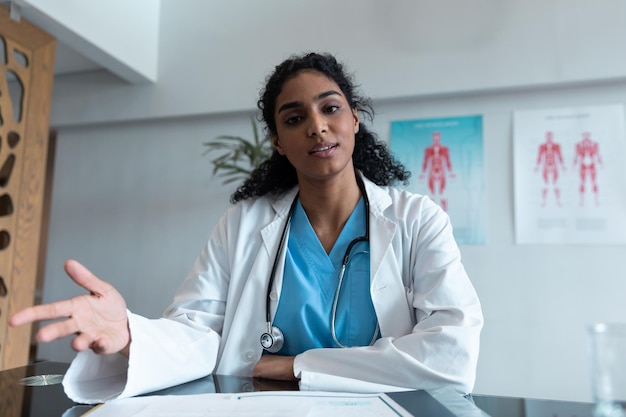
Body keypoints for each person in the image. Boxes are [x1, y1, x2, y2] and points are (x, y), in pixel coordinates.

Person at [9, 52, 483, 404]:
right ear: (278, 141)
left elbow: (450, 352)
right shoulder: (245, 223)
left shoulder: (417, 220)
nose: (317, 127)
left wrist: (298, 366)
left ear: (356, 119)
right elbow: (196, 330)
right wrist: (133, 335)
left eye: (331, 109)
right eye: (295, 118)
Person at [418, 131, 455, 211]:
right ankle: (431, 213)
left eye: (437, 138)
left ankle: (445, 213)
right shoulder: (428, 150)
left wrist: (451, 173)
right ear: (433, 138)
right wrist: (423, 174)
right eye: (435, 138)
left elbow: (448, 161)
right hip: (432, 172)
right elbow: (425, 162)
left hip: (441, 172)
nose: (436, 140)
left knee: (443, 193)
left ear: (439, 138)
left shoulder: (444, 149)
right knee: (431, 193)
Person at [535, 131, 565, 207]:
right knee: (545, 185)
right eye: (548, 136)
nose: (549, 138)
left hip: (554, 167)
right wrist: (537, 167)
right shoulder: (542, 146)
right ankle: (543, 201)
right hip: (545, 167)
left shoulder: (556, 146)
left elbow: (560, 155)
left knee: (556, 184)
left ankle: (558, 201)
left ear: (552, 137)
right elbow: (539, 156)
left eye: (550, 136)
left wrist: (562, 166)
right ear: (546, 137)